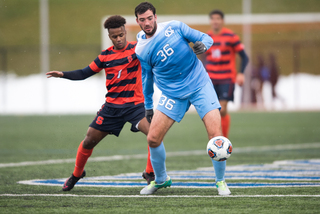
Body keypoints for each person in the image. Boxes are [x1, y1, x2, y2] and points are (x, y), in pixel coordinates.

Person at [46, 15, 155, 191]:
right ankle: (77, 174)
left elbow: (155, 51)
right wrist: (63, 74)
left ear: (125, 31)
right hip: (111, 108)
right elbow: (84, 73)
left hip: (135, 106)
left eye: (121, 35)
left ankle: (149, 172)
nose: (119, 39)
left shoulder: (138, 49)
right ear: (109, 36)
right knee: (88, 141)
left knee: (153, 136)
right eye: (114, 36)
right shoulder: (105, 56)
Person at [134, 2, 230, 195]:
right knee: (152, 139)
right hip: (172, 94)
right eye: (142, 20)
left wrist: (205, 45)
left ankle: (220, 182)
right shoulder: (141, 50)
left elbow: (204, 38)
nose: (147, 23)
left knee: (215, 136)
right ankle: (161, 180)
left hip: (199, 84)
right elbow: (147, 78)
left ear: (156, 17)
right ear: (137, 21)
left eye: (150, 18)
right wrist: (148, 106)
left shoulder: (175, 27)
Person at [203, 10, 249, 138]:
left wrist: (241, 73)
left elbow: (244, 57)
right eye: (213, 18)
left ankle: (223, 140)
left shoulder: (231, 36)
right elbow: (202, 57)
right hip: (210, 79)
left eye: (218, 18)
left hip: (226, 78)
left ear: (222, 21)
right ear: (210, 21)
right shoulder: (206, 38)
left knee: (222, 109)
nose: (215, 21)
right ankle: (217, 137)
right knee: (212, 111)